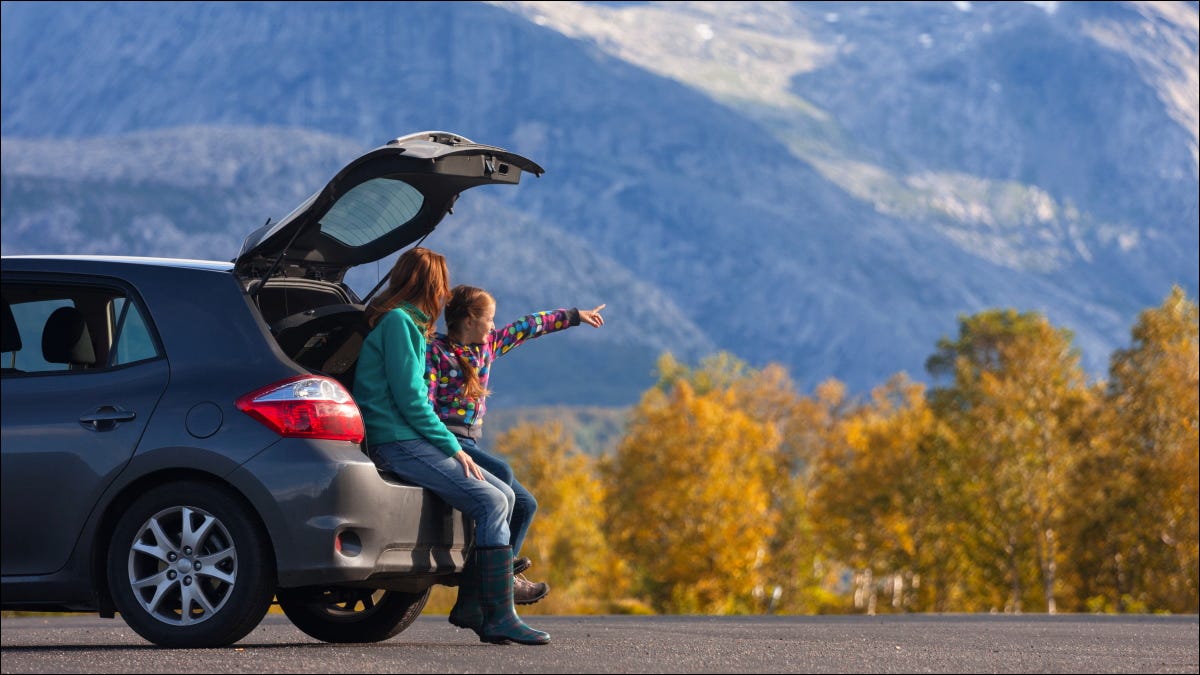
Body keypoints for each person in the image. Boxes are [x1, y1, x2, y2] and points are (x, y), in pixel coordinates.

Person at [353, 248, 549, 646]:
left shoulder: (406, 325)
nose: (445, 294)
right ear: (430, 284)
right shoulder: (399, 324)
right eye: (441, 284)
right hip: (397, 440)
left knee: (507, 497)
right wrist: (453, 448)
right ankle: (498, 616)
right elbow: (411, 400)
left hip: (407, 437)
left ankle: (479, 606)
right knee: (494, 501)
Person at [427, 284, 606, 624]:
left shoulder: (488, 347)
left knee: (526, 504)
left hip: (472, 442)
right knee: (504, 475)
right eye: (489, 319)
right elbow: (425, 402)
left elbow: (528, 326)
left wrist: (573, 317)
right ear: (468, 319)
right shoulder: (436, 352)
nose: (494, 326)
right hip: (448, 440)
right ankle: (495, 581)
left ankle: (485, 585)